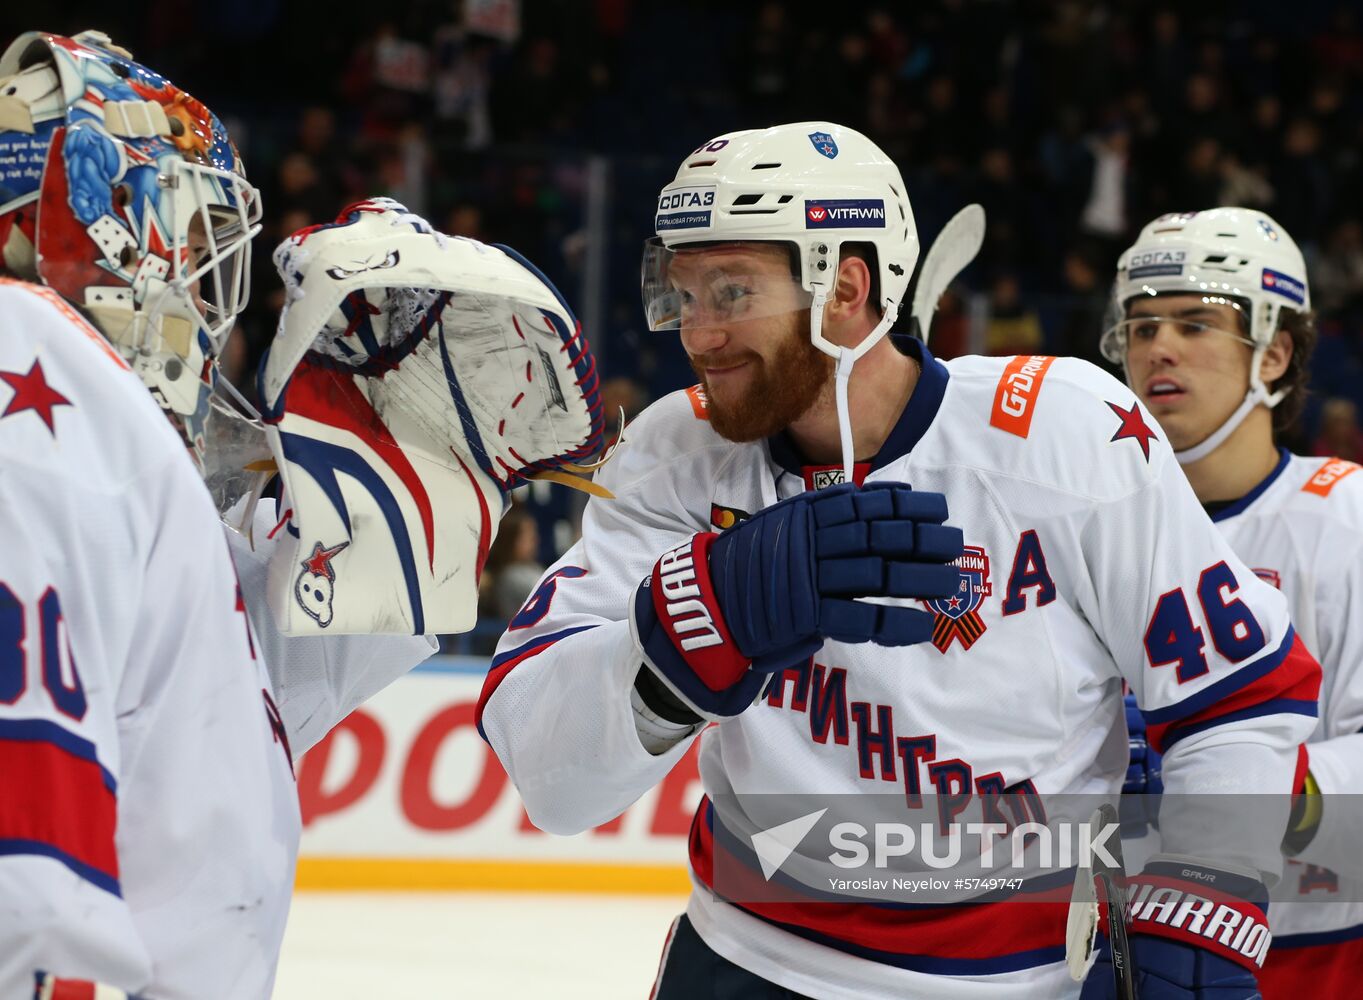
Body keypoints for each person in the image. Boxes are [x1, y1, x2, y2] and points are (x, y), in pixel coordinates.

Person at [476, 122, 1321, 999]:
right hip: (744, 961)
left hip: (1021, 978)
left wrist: (1205, 890)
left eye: (730, 292)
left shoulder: (1063, 433)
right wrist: (689, 632)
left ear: (846, 286)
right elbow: (549, 778)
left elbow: (1239, 702)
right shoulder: (672, 455)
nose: (698, 334)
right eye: (682, 293)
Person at [0, 30, 601, 999]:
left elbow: (206, 717)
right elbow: (26, 878)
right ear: (92, 230)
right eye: (192, 238)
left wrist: (401, 490)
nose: (204, 290)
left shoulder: (97, 437)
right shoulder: (32, 370)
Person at [1105, 207, 1363, 1000]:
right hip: (1108, 946)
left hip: (1306, 956)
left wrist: (1234, 777)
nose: (1158, 347)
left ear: (1274, 352)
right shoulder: (1084, 526)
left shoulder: (1347, 517)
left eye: (1194, 323)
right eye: (1140, 326)